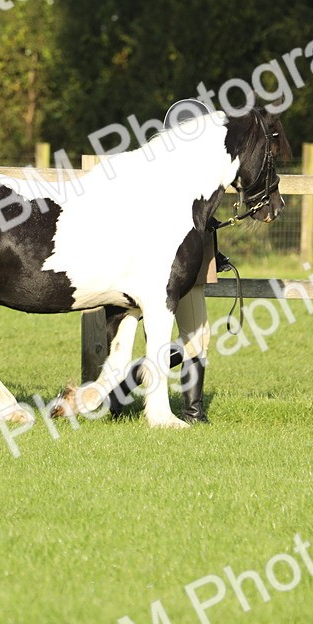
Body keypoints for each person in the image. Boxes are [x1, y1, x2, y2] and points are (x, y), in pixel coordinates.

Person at [108, 99, 233, 423]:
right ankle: (187, 409)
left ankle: (126, 390)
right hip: (166, 273)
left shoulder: (160, 169)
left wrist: (213, 248)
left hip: (149, 271)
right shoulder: (180, 173)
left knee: (185, 337)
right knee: (195, 337)